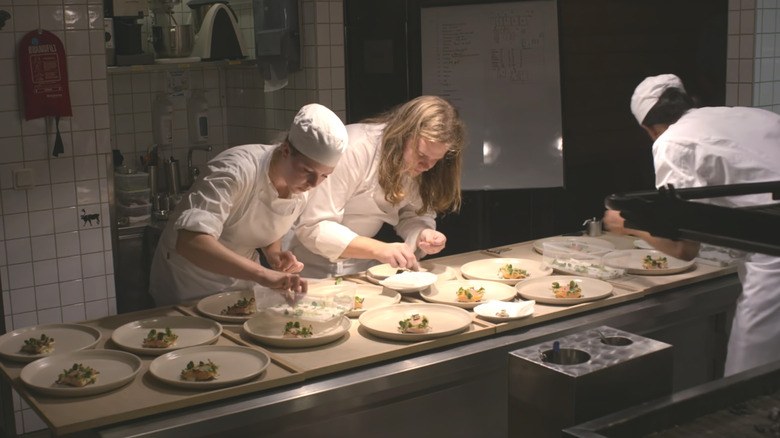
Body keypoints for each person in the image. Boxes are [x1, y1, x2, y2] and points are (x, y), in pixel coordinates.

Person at [603, 73, 780, 376]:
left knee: (748, 371)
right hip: (766, 234)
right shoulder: (741, 114)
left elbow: (684, 248)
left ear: (648, 128)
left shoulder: (672, 142)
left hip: (774, 249)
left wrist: (628, 225)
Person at [148, 104, 348, 306]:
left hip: (241, 284)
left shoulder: (299, 183)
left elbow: (269, 218)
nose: (314, 183)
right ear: (286, 150)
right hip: (189, 284)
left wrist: (273, 254)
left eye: (324, 175)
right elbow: (190, 242)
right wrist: (262, 274)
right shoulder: (235, 171)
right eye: (308, 171)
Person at [287, 95, 466, 278]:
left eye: (436, 160)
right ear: (403, 134)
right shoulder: (355, 148)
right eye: (421, 155)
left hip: (360, 264)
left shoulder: (419, 164)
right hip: (307, 263)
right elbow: (314, 226)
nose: (427, 166)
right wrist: (378, 249)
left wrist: (423, 233)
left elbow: (411, 213)